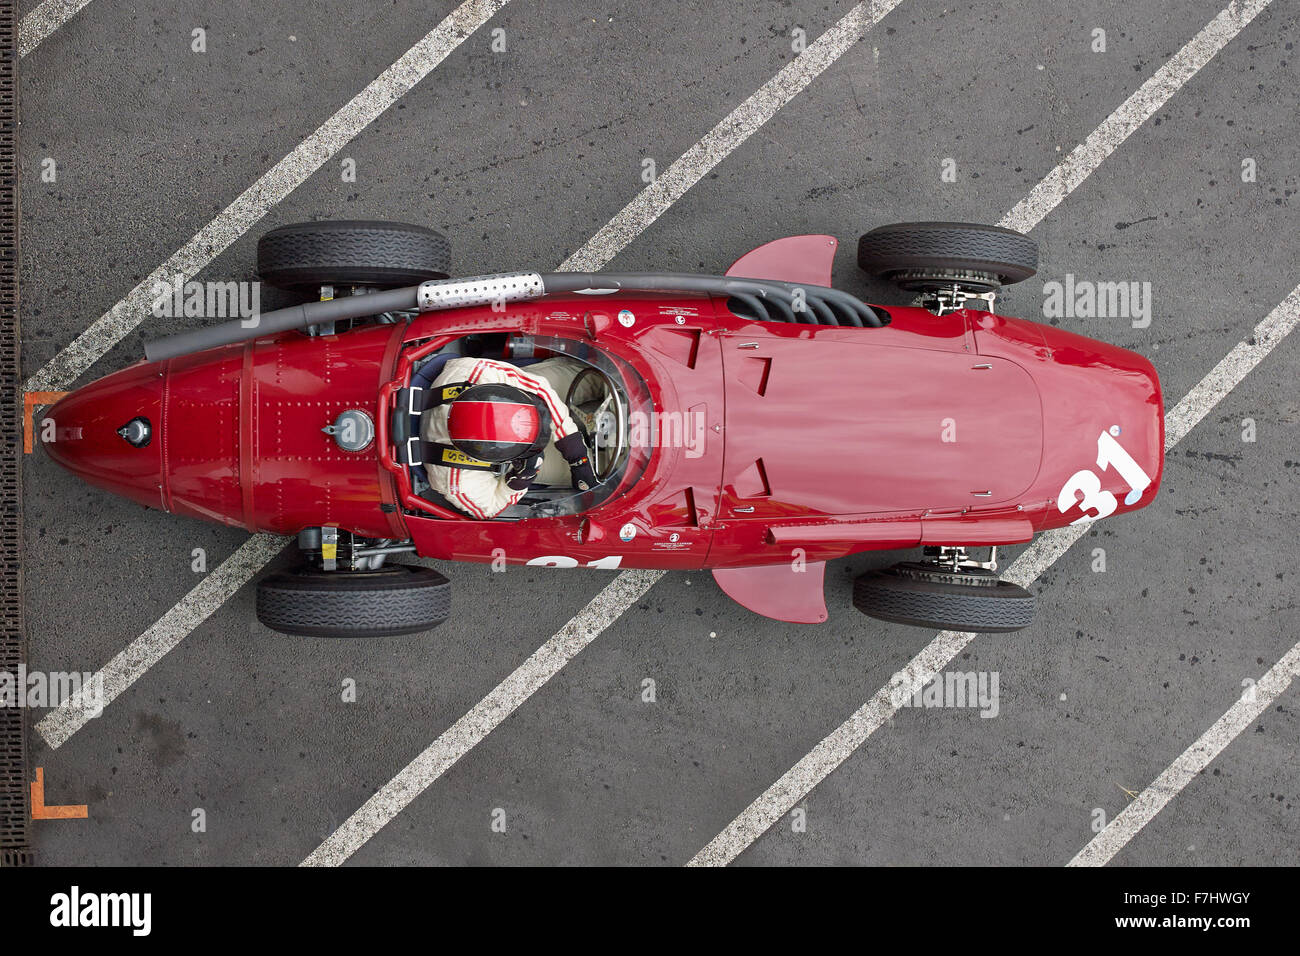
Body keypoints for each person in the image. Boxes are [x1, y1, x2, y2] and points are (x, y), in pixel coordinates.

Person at [420, 356, 596, 519]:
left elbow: (540, 388)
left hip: (523, 414)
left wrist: (575, 452)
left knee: (591, 377)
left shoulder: (472, 373)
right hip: (508, 460)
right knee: (594, 473)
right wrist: (520, 480)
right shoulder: (455, 479)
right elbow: (490, 508)